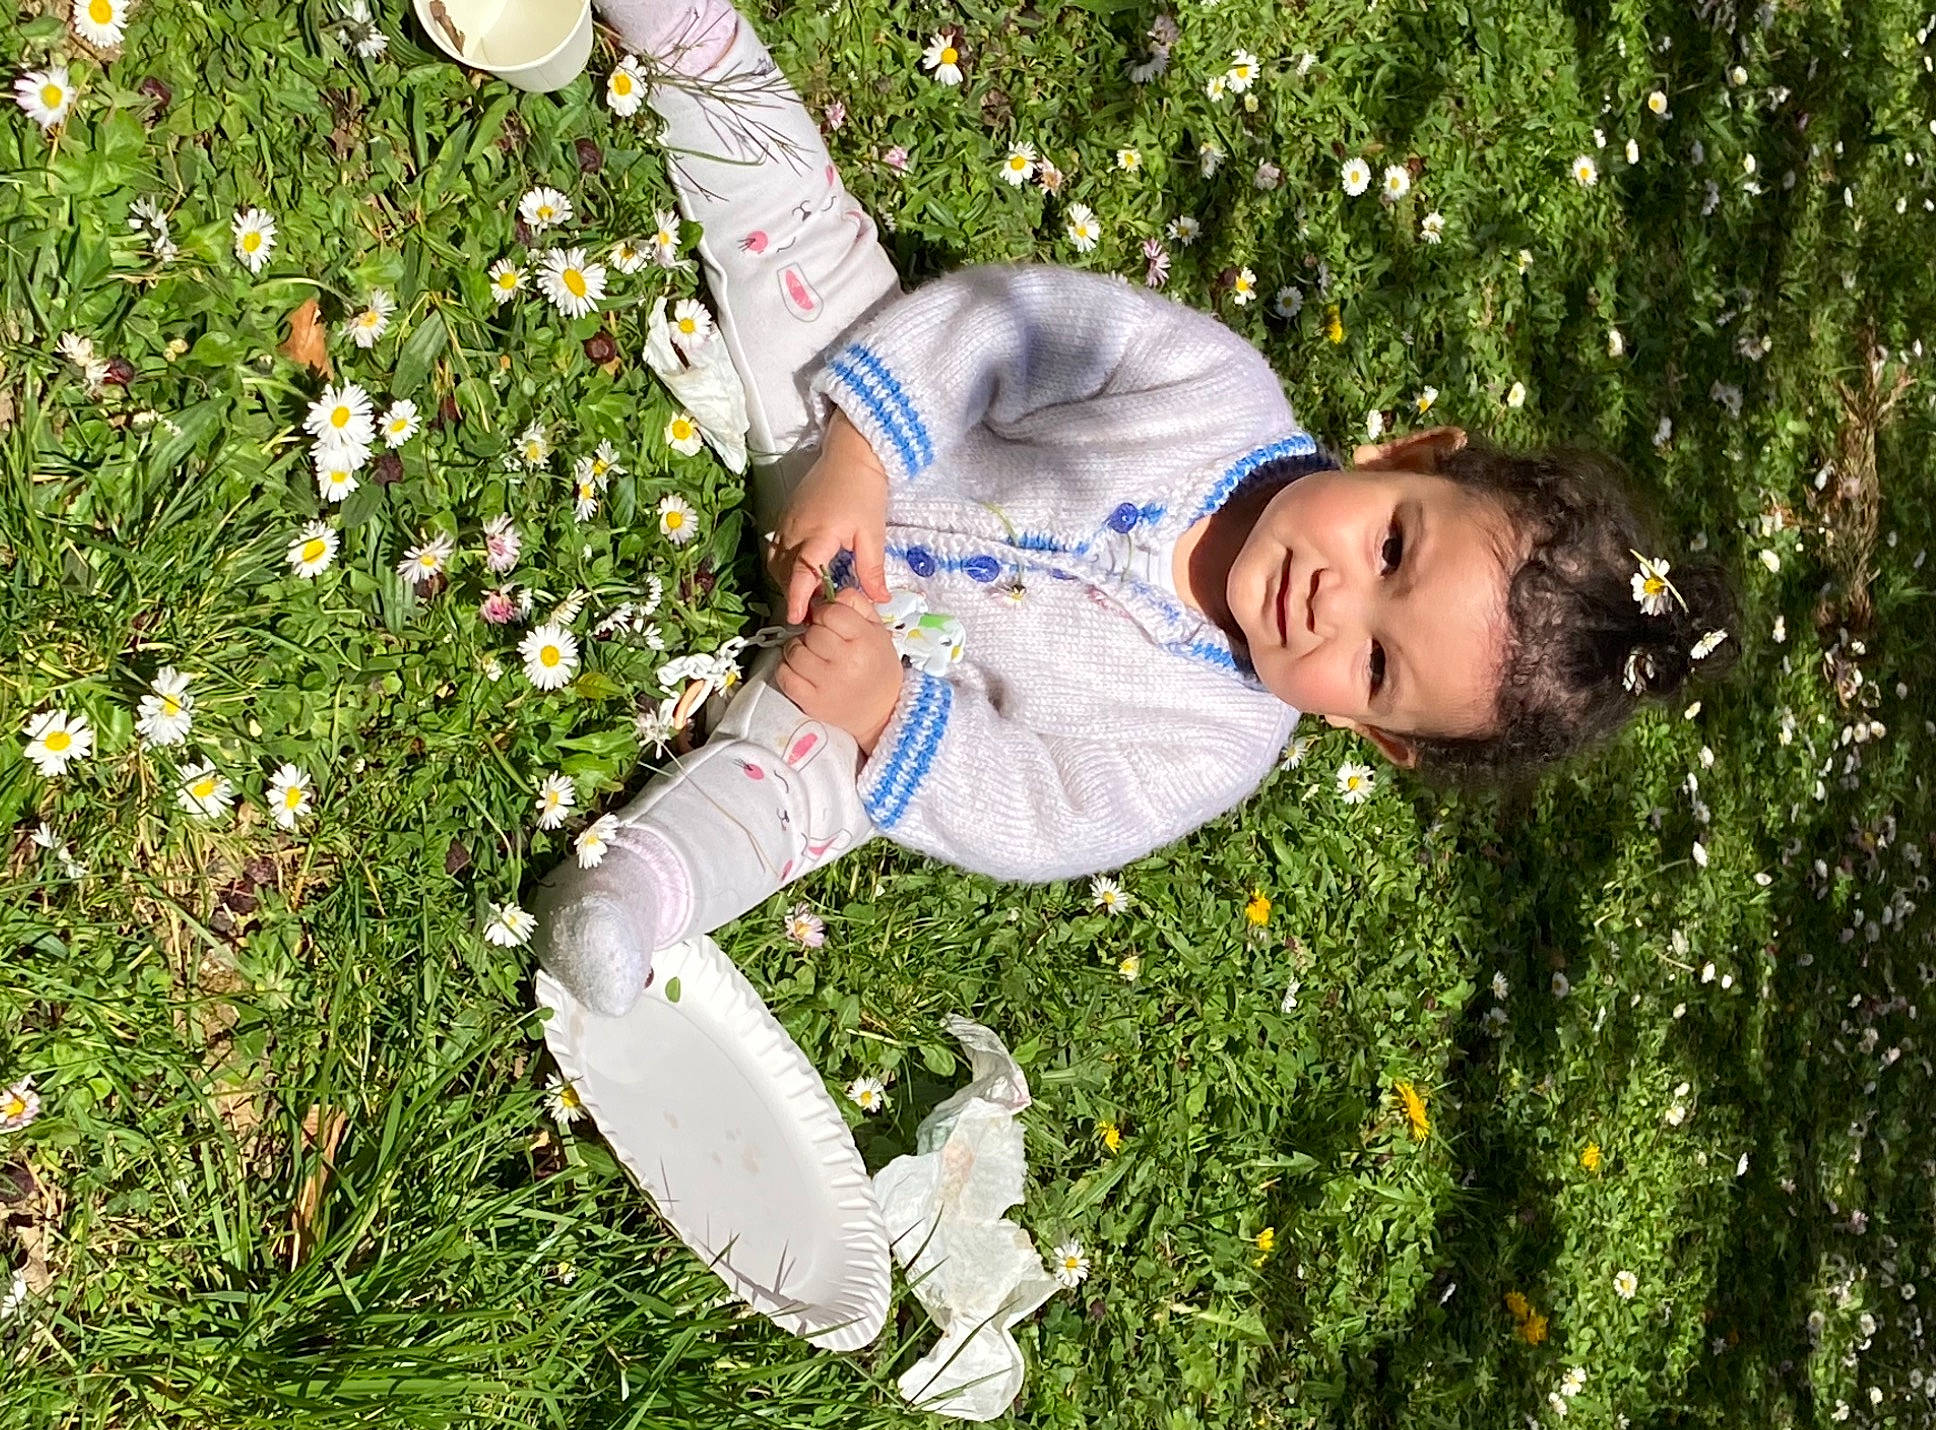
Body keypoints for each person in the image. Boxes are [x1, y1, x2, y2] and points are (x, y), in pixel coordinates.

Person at [534, 0, 1740, 1014]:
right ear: (1401, 455)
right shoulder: (1213, 392)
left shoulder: (1205, 747)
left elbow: (1039, 810)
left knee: (796, 798)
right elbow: (1002, 331)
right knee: (801, 232)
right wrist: (858, 454)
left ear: (1379, 737)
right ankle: (701, 51)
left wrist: (887, 712)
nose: (1332, 601)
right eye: (1387, 548)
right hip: (860, 429)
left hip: (854, 668)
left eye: (1374, 662)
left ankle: (630, 893)